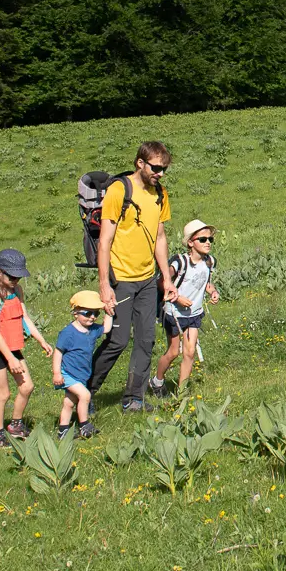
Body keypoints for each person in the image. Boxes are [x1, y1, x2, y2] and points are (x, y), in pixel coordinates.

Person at [87, 141, 178, 413]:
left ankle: (134, 399)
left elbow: (160, 237)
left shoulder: (160, 193)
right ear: (140, 163)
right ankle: (85, 393)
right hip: (122, 278)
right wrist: (104, 285)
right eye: (155, 168)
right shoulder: (119, 190)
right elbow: (104, 241)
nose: (160, 173)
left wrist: (167, 279)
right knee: (118, 340)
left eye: (164, 169)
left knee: (146, 339)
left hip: (148, 279)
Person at [0, 249, 52, 446]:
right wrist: (10, 359)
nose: (16, 280)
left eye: (18, 276)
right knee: (3, 393)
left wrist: (41, 340)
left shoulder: (17, 291)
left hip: (13, 347)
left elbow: (25, 318)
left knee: (27, 386)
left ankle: (16, 424)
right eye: (12, 276)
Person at [150, 220, 219, 396]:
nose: (208, 242)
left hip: (194, 314)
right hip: (174, 313)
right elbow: (162, 282)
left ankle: (181, 393)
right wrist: (178, 298)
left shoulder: (209, 262)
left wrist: (213, 292)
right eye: (202, 239)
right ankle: (157, 381)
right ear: (190, 242)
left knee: (189, 352)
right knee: (174, 352)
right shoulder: (179, 263)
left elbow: (205, 283)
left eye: (210, 239)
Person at [54, 291, 103, 439]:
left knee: (69, 402)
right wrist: (57, 373)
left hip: (82, 374)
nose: (93, 317)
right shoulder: (68, 333)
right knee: (85, 395)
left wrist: (109, 312)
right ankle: (84, 426)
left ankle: (63, 430)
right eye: (88, 313)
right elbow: (58, 353)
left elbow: (106, 328)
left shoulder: (92, 330)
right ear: (75, 313)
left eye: (96, 313)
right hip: (68, 373)